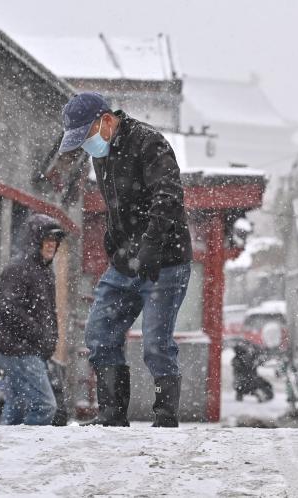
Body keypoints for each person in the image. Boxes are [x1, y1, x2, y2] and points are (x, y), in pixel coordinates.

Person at [58, 92, 192, 427]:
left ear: (106, 121)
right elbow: (118, 203)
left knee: (156, 343)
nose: (87, 146)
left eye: (86, 136)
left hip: (167, 260)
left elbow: (169, 198)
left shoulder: (149, 143)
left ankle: (165, 417)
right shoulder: (100, 156)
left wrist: (151, 245)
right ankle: (112, 413)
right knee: (100, 332)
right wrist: (114, 237)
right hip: (125, 261)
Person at [0, 214, 65, 425]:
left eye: (55, 241)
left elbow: (47, 313)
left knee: (18, 405)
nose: (52, 245)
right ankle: (26, 449)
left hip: (28, 350)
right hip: (19, 350)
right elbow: (8, 308)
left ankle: (5, 451)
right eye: (47, 239)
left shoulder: (44, 271)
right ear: (35, 240)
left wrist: (47, 340)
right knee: (44, 405)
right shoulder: (18, 268)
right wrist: (39, 334)